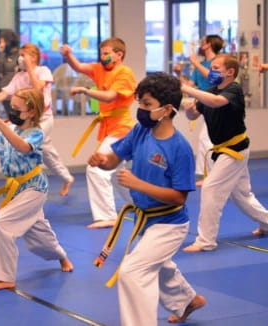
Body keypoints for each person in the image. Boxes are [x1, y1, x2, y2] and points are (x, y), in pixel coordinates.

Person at [91, 73, 205, 325]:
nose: (140, 109)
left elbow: (179, 197)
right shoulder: (140, 130)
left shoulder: (179, 148)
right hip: (146, 220)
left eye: (146, 104)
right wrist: (102, 161)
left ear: (166, 110)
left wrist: (139, 184)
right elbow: (113, 160)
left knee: (134, 271)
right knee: (158, 264)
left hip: (170, 224)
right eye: (140, 103)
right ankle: (187, 301)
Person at [0, 88, 73, 291]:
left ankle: (5, 277)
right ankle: (62, 256)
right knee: (39, 237)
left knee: (2, 223)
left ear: (31, 112)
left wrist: (2, 125)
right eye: (11, 107)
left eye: (16, 109)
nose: (11, 112)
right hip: (14, 190)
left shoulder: (36, 133)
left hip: (34, 188)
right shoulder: (6, 130)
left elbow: (23, 147)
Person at [181, 54, 268, 252]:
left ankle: (206, 241)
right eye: (211, 67)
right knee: (242, 195)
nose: (211, 72)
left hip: (234, 149)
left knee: (211, 188)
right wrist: (188, 108)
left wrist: (187, 89)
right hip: (223, 150)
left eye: (216, 68)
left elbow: (215, 102)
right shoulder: (210, 90)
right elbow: (194, 113)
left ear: (230, 72)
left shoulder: (233, 90)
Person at [0, 43, 75, 196]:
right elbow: (5, 94)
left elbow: (37, 88)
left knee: (29, 145)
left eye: (24, 55)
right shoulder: (19, 76)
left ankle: (31, 181)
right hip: (25, 119)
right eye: (20, 56)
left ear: (34, 57)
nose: (20, 59)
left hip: (43, 118)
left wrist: (29, 66)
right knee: (47, 152)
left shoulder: (43, 71)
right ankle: (67, 178)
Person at [60, 38, 135, 228]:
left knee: (96, 168)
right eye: (101, 53)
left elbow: (110, 97)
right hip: (109, 127)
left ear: (119, 55)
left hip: (122, 128)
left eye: (107, 53)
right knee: (117, 172)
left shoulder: (124, 73)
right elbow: (78, 67)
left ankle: (107, 216)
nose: (103, 57)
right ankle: (141, 204)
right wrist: (68, 55)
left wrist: (86, 90)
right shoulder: (100, 69)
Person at [184, 35, 224, 186]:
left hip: (218, 104)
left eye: (203, 42)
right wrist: (177, 77)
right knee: (205, 139)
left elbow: (214, 78)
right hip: (204, 105)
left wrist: (194, 62)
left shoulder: (219, 62)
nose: (201, 45)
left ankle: (212, 176)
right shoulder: (199, 66)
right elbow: (190, 85)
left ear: (208, 45)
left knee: (206, 139)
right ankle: (210, 174)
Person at [0, 30, 20, 113]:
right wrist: (0, 53)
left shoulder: (19, 54)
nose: (1, 45)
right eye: (0, 42)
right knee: (9, 114)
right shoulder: (3, 55)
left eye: (3, 42)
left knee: (17, 114)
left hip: (17, 90)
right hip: (4, 88)